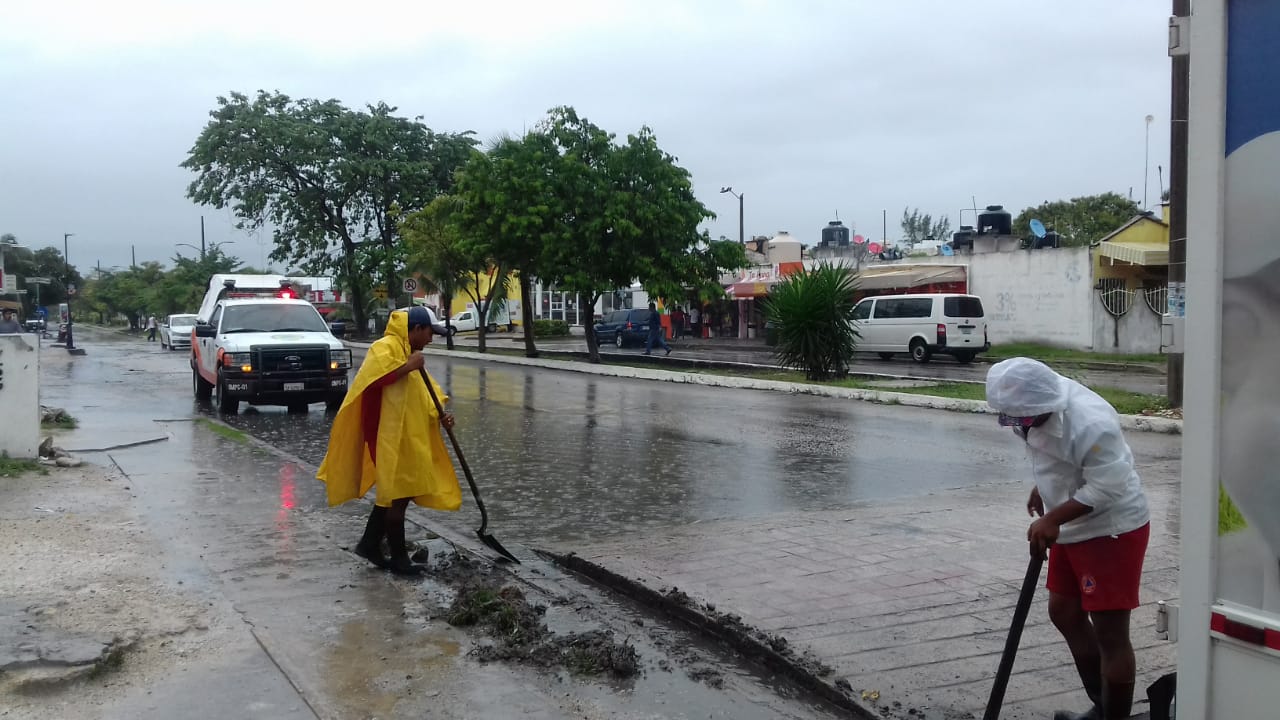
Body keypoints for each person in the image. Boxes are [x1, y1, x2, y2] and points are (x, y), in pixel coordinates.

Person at [986, 357, 1150, 720]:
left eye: (1022, 419)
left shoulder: (1090, 422)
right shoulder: (1033, 398)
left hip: (1111, 529)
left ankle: (1115, 716)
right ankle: (1103, 704)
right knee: (1064, 612)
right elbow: (1057, 456)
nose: (1017, 426)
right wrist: (1044, 488)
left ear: (1044, 406)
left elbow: (1109, 485)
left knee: (1110, 634)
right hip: (1069, 524)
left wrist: (1054, 516)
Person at [317, 307, 462, 576]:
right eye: (430, 333)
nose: (431, 340)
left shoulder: (409, 353)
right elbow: (374, 380)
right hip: (389, 435)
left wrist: (440, 416)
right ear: (416, 329)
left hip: (409, 435)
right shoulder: (384, 348)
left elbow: (421, 393)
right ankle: (399, 559)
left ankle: (369, 544)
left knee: (397, 494)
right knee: (397, 496)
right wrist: (409, 366)